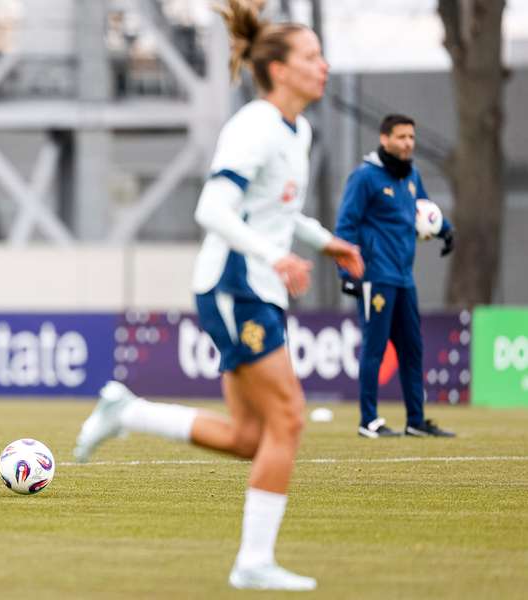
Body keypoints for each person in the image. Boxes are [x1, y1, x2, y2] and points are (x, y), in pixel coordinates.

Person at [73, 0, 363, 592]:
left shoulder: (296, 129)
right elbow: (213, 209)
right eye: (311, 56)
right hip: (235, 287)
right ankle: (253, 563)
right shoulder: (253, 126)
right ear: (279, 70)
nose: (323, 66)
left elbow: (277, 210)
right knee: (288, 419)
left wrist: (325, 242)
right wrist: (273, 256)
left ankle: (126, 412)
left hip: (254, 287)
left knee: (250, 437)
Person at [335, 114, 456, 439]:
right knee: (375, 348)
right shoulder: (364, 177)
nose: (408, 143)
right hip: (376, 276)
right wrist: (346, 271)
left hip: (404, 277)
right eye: (401, 137)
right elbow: (345, 225)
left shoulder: (411, 174)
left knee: (412, 349)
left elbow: (424, 210)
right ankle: (368, 420)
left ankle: (416, 420)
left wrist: (446, 231)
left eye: (411, 137)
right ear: (384, 138)